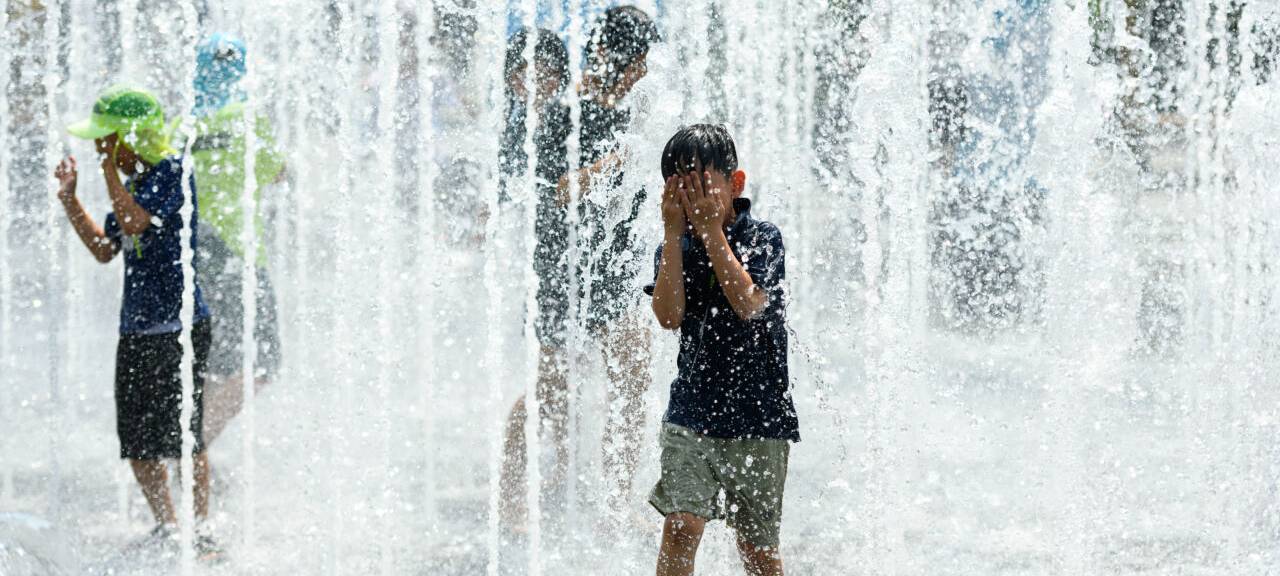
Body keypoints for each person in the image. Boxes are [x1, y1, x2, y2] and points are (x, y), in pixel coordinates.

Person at [56, 85, 220, 559]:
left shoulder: (172, 173)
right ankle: (168, 527)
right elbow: (105, 248)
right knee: (138, 439)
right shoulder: (133, 183)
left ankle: (202, 529)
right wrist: (70, 200)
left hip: (180, 327)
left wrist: (107, 168)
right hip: (137, 328)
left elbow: (134, 223)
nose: (97, 148)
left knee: (185, 433)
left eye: (105, 140)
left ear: (130, 137)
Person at [645, 125, 798, 576]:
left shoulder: (764, 238)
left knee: (758, 555)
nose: (694, 202)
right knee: (681, 526)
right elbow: (668, 316)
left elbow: (750, 304)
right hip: (692, 412)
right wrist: (674, 235)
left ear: (736, 184)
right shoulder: (674, 245)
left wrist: (713, 233)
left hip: (760, 415)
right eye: (681, 188)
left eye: (702, 187)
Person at [556, 4, 660, 524]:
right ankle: (521, 493)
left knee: (630, 380)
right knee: (553, 386)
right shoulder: (575, 110)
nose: (649, 69)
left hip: (618, 265)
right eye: (643, 57)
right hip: (573, 267)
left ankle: (614, 502)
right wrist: (629, 151)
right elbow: (563, 190)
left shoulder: (637, 106)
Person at [186, 33, 287, 446]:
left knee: (211, 364)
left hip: (194, 254)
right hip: (238, 254)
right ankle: (193, 449)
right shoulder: (245, 118)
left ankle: (191, 450)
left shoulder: (182, 124)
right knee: (261, 364)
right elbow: (275, 172)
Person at [495, 27, 574, 527]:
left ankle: (561, 478)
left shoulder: (556, 120)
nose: (532, 81)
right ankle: (510, 489)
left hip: (569, 268)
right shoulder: (523, 128)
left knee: (563, 384)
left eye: (543, 71)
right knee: (547, 381)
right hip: (548, 272)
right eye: (522, 71)